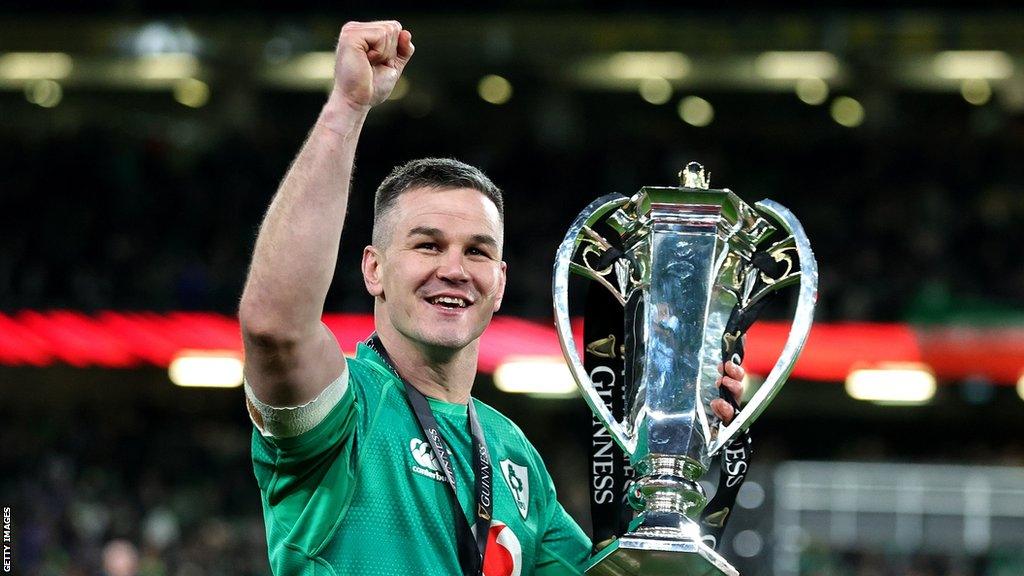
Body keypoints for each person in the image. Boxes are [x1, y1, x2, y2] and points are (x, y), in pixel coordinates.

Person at [238, 20, 746, 576]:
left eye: (477, 252)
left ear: (500, 283)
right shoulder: (346, 410)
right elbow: (275, 329)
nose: (454, 270)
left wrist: (693, 454)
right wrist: (346, 108)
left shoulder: (513, 454)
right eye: (428, 245)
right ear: (374, 270)